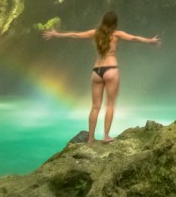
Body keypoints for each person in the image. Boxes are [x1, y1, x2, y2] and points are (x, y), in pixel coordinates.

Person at [42, 11, 160, 144]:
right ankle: (106, 136)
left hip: (96, 71)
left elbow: (75, 35)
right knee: (110, 104)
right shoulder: (117, 34)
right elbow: (134, 38)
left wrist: (56, 34)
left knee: (95, 107)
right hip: (111, 69)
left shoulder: (95, 33)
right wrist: (150, 41)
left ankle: (91, 138)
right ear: (115, 23)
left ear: (103, 21)